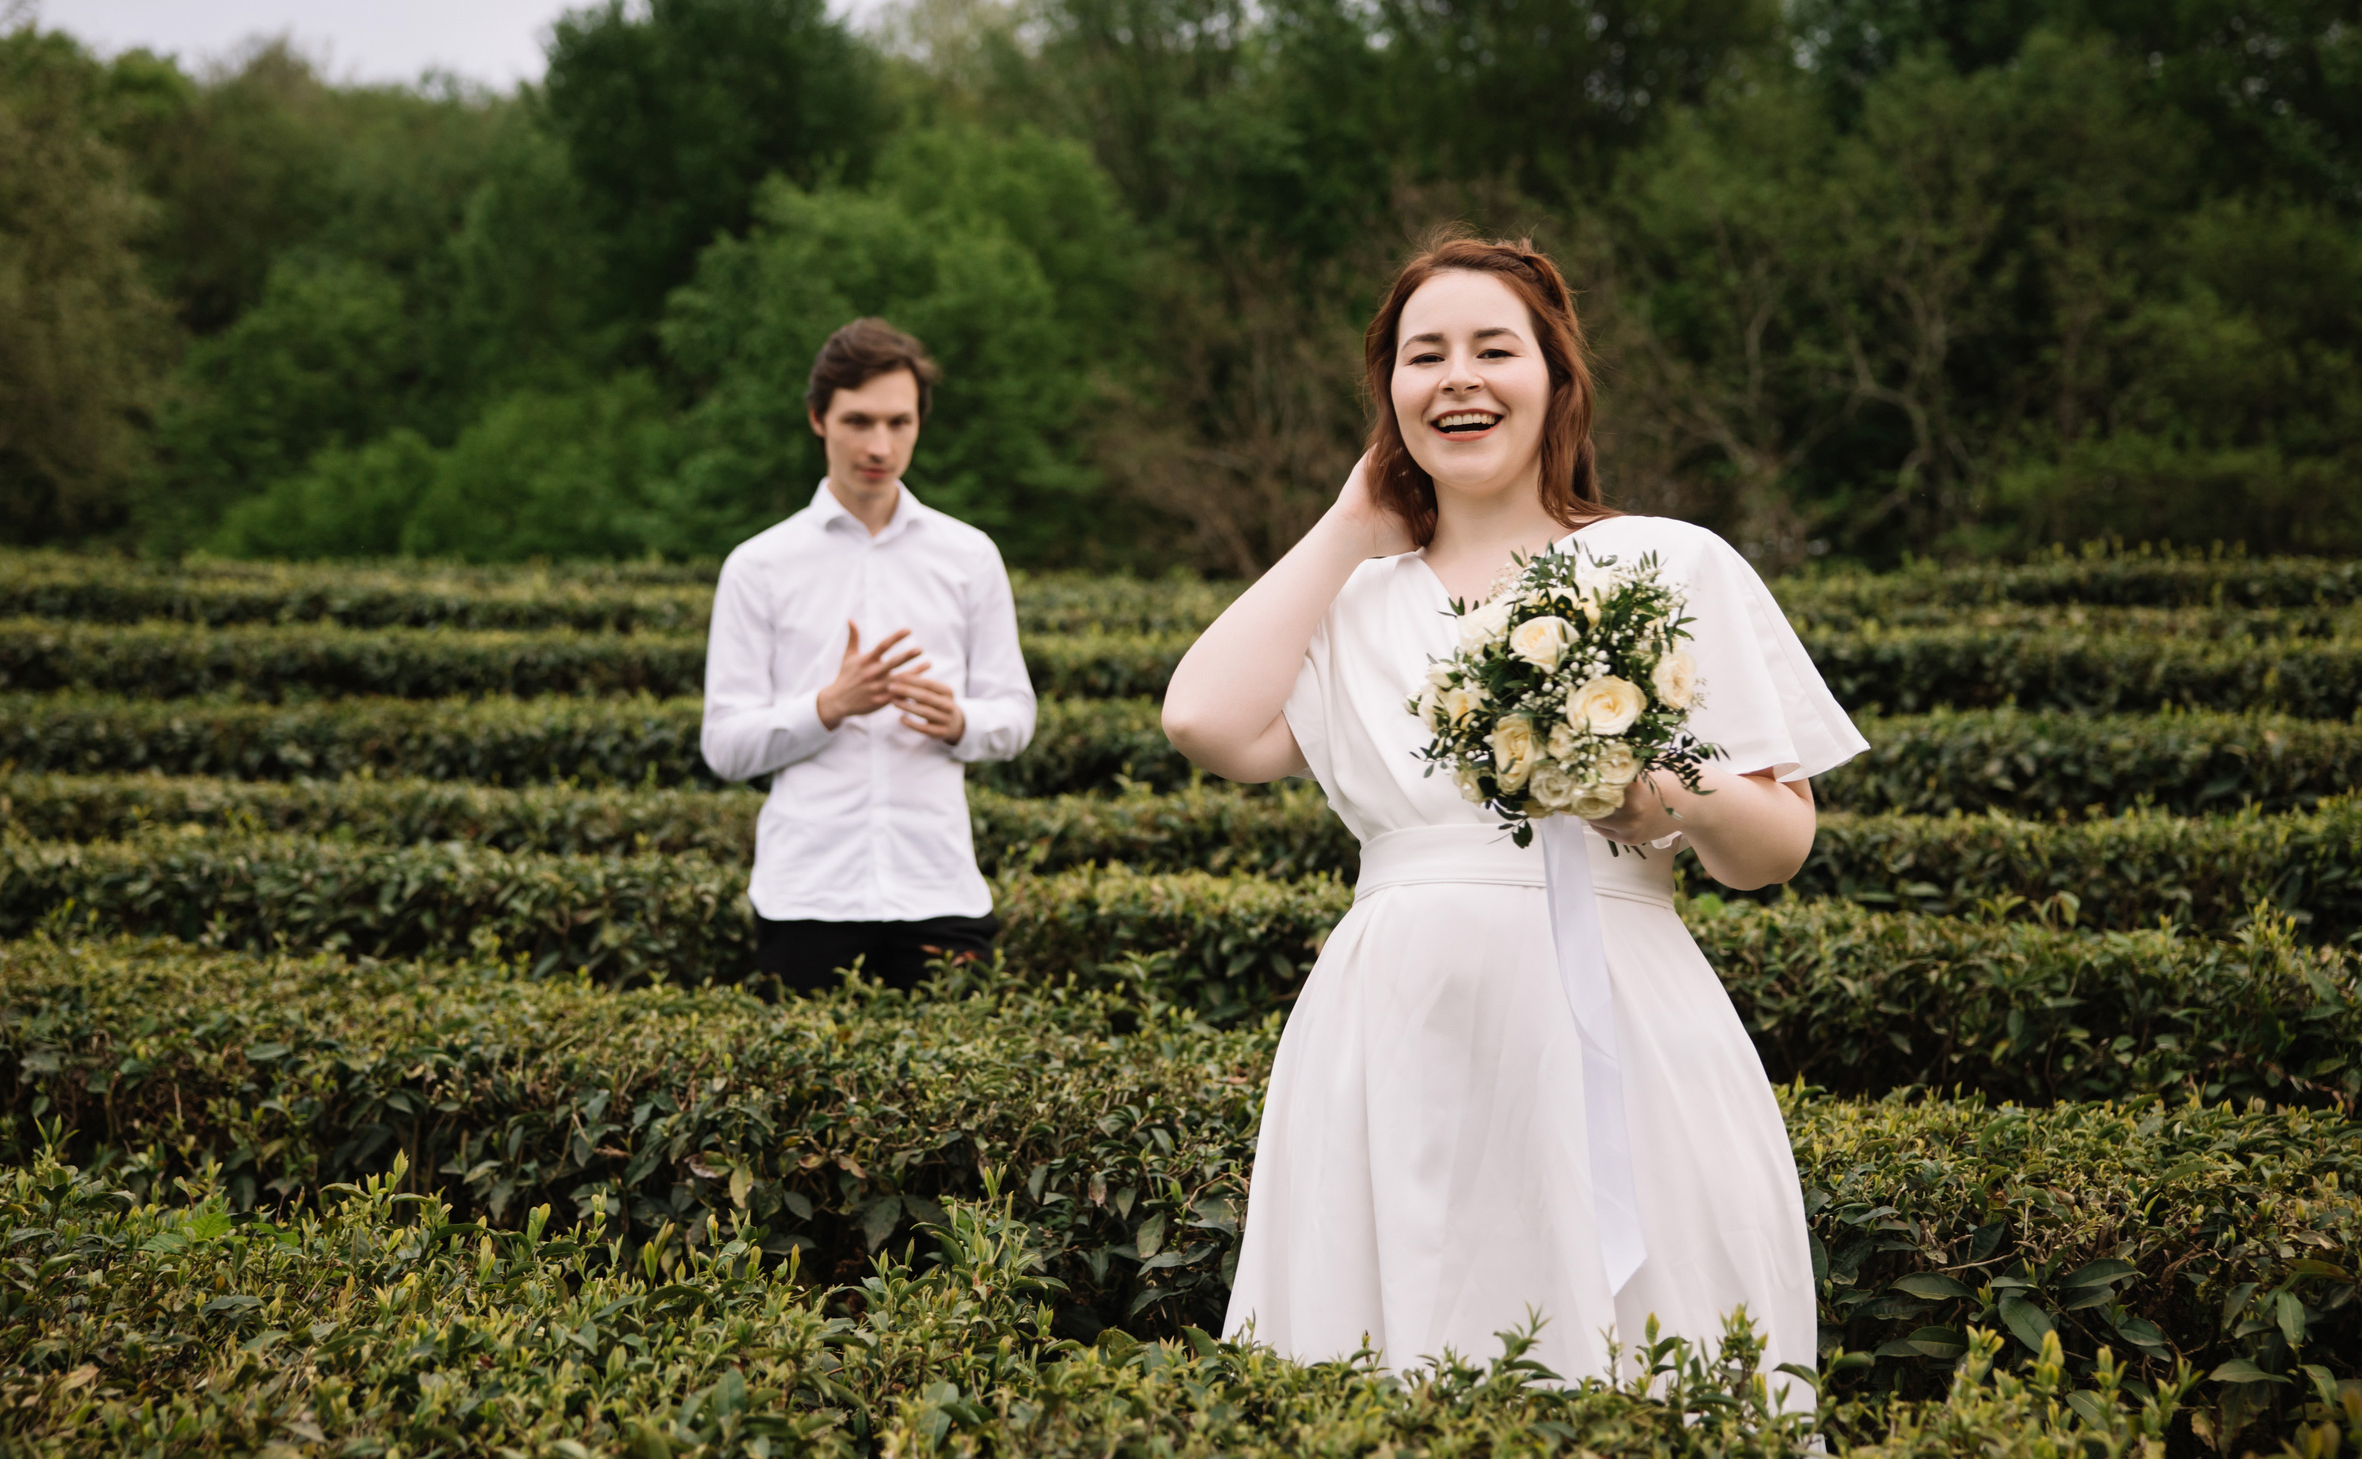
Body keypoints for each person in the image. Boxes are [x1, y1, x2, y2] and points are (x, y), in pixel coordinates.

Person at [1162, 235, 1865, 1399]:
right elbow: (1203, 722)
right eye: (1421, 355)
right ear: (1388, 394)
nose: (1459, 378)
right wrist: (1347, 527)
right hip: (1390, 1030)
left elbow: (1776, 847)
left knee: (1648, 1355)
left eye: (1496, 348)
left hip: (1620, 1010)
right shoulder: (1352, 602)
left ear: (1556, 379)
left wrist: (1658, 789)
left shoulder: (1666, 562)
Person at [701, 317, 1037, 994]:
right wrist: (828, 707)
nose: (879, 444)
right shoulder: (758, 565)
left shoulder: (970, 557)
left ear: (919, 423)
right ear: (818, 418)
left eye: (899, 422)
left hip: (939, 889)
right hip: (806, 897)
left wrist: (960, 721)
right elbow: (724, 745)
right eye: (858, 421)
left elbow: (1016, 715)